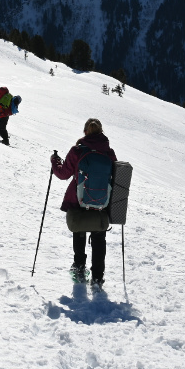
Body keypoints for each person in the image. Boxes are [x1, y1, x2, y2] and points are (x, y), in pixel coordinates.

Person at [51, 118, 117, 287]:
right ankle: (97, 278)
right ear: (101, 132)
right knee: (99, 238)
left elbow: (63, 174)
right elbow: (115, 179)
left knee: (79, 231)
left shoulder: (77, 151)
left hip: (78, 201)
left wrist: (54, 162)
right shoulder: (109, 153)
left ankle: (79, 268)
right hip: (101, 204)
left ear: (85, 132)